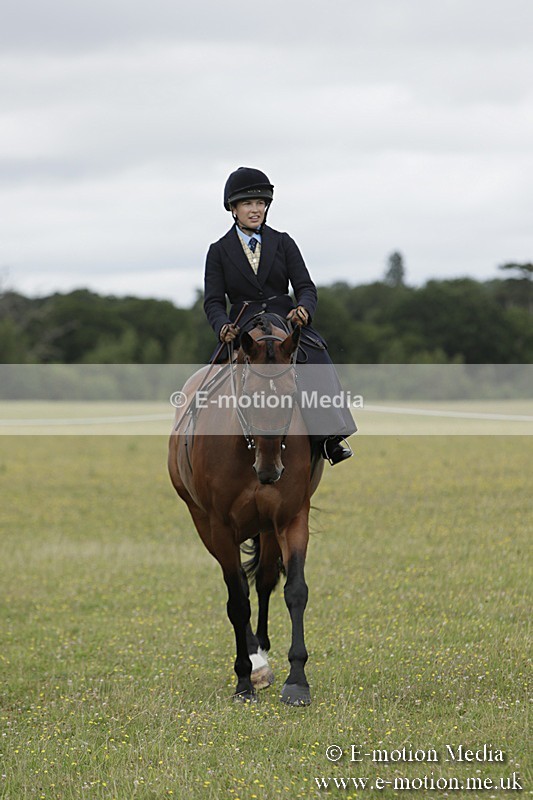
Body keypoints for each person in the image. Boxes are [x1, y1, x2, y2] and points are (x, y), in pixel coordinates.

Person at [203, 166, 355, 465]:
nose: (255, 209)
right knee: (209, 378)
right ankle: (199, 431)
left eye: (260, 203)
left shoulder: (284, 242)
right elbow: (213, 302)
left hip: (284, 319)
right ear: (233, 209)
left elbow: (306, 287)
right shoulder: (218, 251)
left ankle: (331, 436)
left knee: (318, 355)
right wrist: (222, 327)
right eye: (248, 203)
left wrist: (304, 310)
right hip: (244, 325)